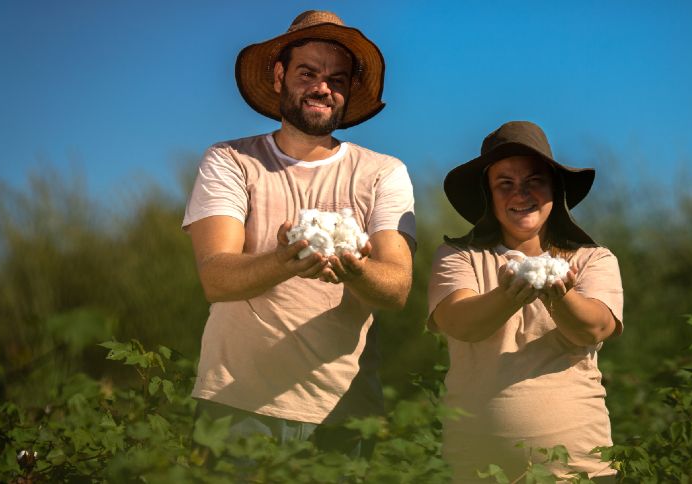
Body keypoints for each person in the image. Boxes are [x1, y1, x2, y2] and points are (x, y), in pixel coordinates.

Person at [182, 10, 416, 456]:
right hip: (235, 408)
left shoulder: (383, 172)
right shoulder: (231, 161)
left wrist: (353, 269)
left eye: (338, 79)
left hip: (345, 413)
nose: (323, 87)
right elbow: (215, 277)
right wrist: (284, 259)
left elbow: (397, 287)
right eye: (307, 72)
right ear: (278, 75)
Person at [428, 121, 623, 482]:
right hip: (476, 471)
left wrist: (558, 296)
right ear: (488, 195)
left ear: (554, 189)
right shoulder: (459, 256)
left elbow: (594, 327)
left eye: (534, 180)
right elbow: (460, 322)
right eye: (505, 184)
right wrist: (508, 296)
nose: (521, 194)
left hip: (580, 471)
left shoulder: (593, 259)